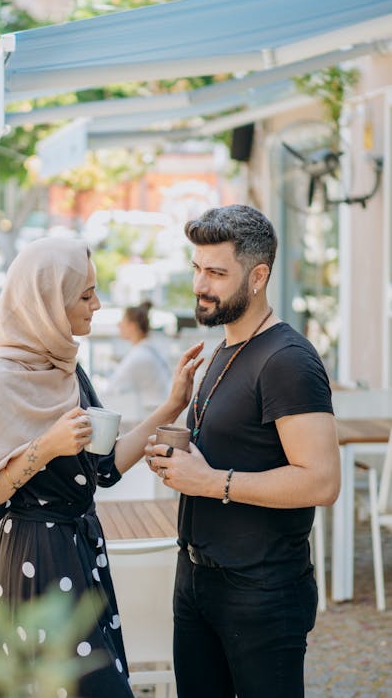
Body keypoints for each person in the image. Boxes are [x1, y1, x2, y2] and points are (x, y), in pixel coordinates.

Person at [0, 237, 203, 698]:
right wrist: (44, 448)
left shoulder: (66, 370)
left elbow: (104, 468)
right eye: (85, 295)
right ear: (49, 301)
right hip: (33, 562)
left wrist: (171, 405)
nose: (97, 305)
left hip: (82, 552)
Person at [145, 205, 340, 698]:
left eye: (216, 273)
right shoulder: (223, 349)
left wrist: (209, 481)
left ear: (258, 277)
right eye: (196, 268)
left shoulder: (288, 361)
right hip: (195, 579)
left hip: (262, 590)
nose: (199, 285)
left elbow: (321, 480)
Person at [107, 301, 172, 413]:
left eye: (123, 320)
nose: (119, 324)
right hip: (155, 412)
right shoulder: (149, 350)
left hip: (151, 416)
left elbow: (111, 388)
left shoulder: (140, 356)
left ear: (132, 326)